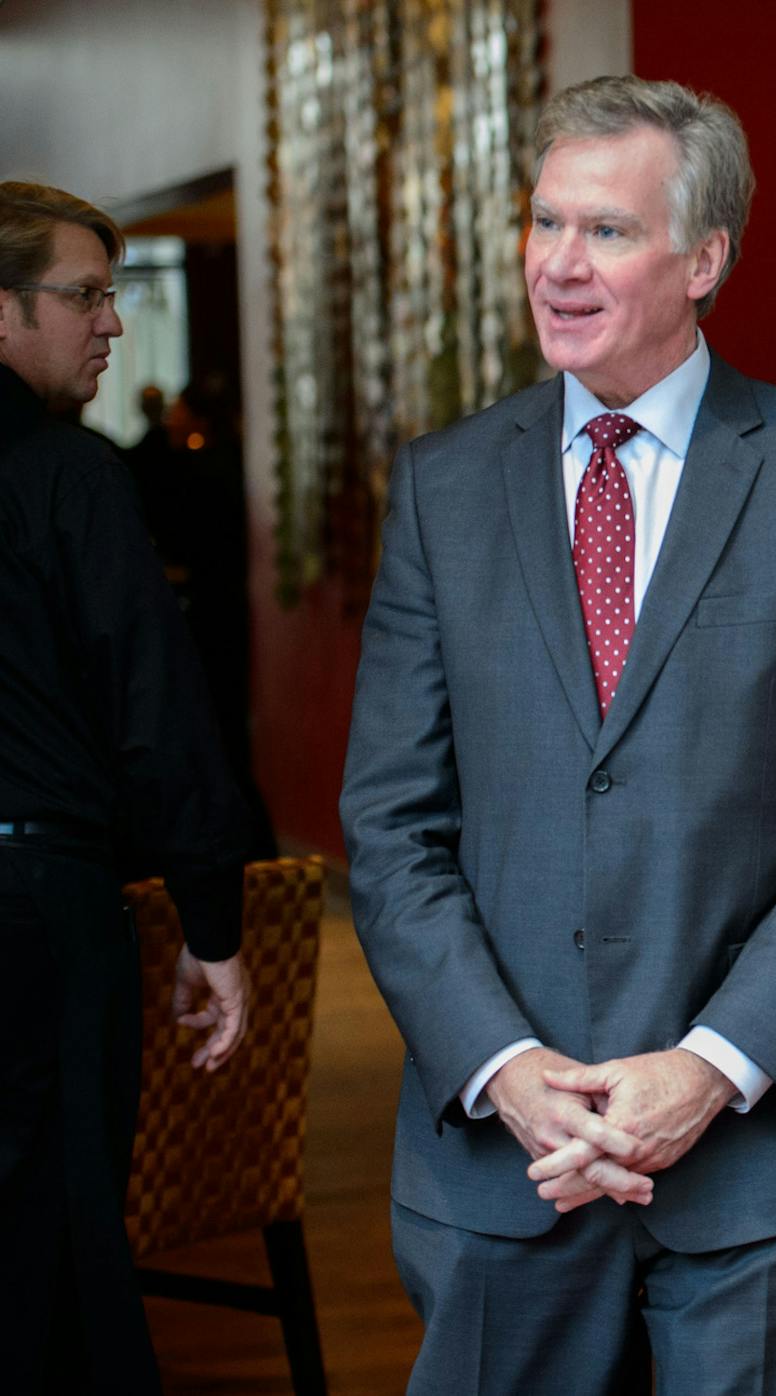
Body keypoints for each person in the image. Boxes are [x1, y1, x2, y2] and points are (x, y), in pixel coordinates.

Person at [339, 75, 776, 1395]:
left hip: (757, 1159)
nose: (558, 262)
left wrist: (707, 1070)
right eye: (545, 222)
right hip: (506, 1155)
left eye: (606, 230)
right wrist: (504, 1068)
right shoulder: (445, 488)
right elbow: (391, 824)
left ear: (705, 258)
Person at [0, 180, 253, 1394]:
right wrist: (212, 918)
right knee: (57, 1253)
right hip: (36, 918)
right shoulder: (69, 473)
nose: (111, 321)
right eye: (87, 294)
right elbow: (157, 710)